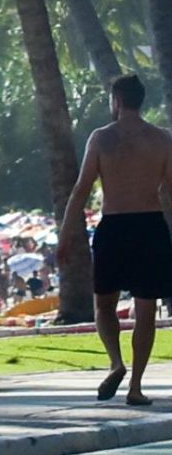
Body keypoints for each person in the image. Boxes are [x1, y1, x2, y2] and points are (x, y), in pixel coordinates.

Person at [63, 72, 172, 404]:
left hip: (114, 226)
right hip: (151, 227)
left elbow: (81, 190)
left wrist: (66, 234)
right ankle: (136, 387)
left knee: (104, 303)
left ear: (117, 101)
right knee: (145, 308)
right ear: (140, 101)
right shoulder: (163, 139)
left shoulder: (101, 138)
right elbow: (170, 192)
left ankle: (115, 361)